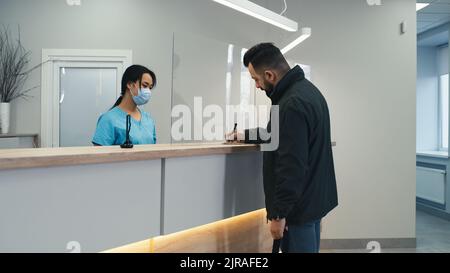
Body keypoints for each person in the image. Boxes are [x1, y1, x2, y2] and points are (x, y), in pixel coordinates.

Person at [227, 43, 338, 253]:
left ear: (269, 75)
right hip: (312, 202)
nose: (257, 86)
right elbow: (279, 135)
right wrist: (244, 135)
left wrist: (278, 215)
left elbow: (291, 165)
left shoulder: (291, 103)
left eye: (255, 79)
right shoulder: (307, 91)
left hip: (298, 211)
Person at [92, 65, 157, 146]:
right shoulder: (108, 119)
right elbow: (99, 156)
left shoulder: (148, 120)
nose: (148, 91)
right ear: (130, 84)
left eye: (150, 88)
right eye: (144, 85)